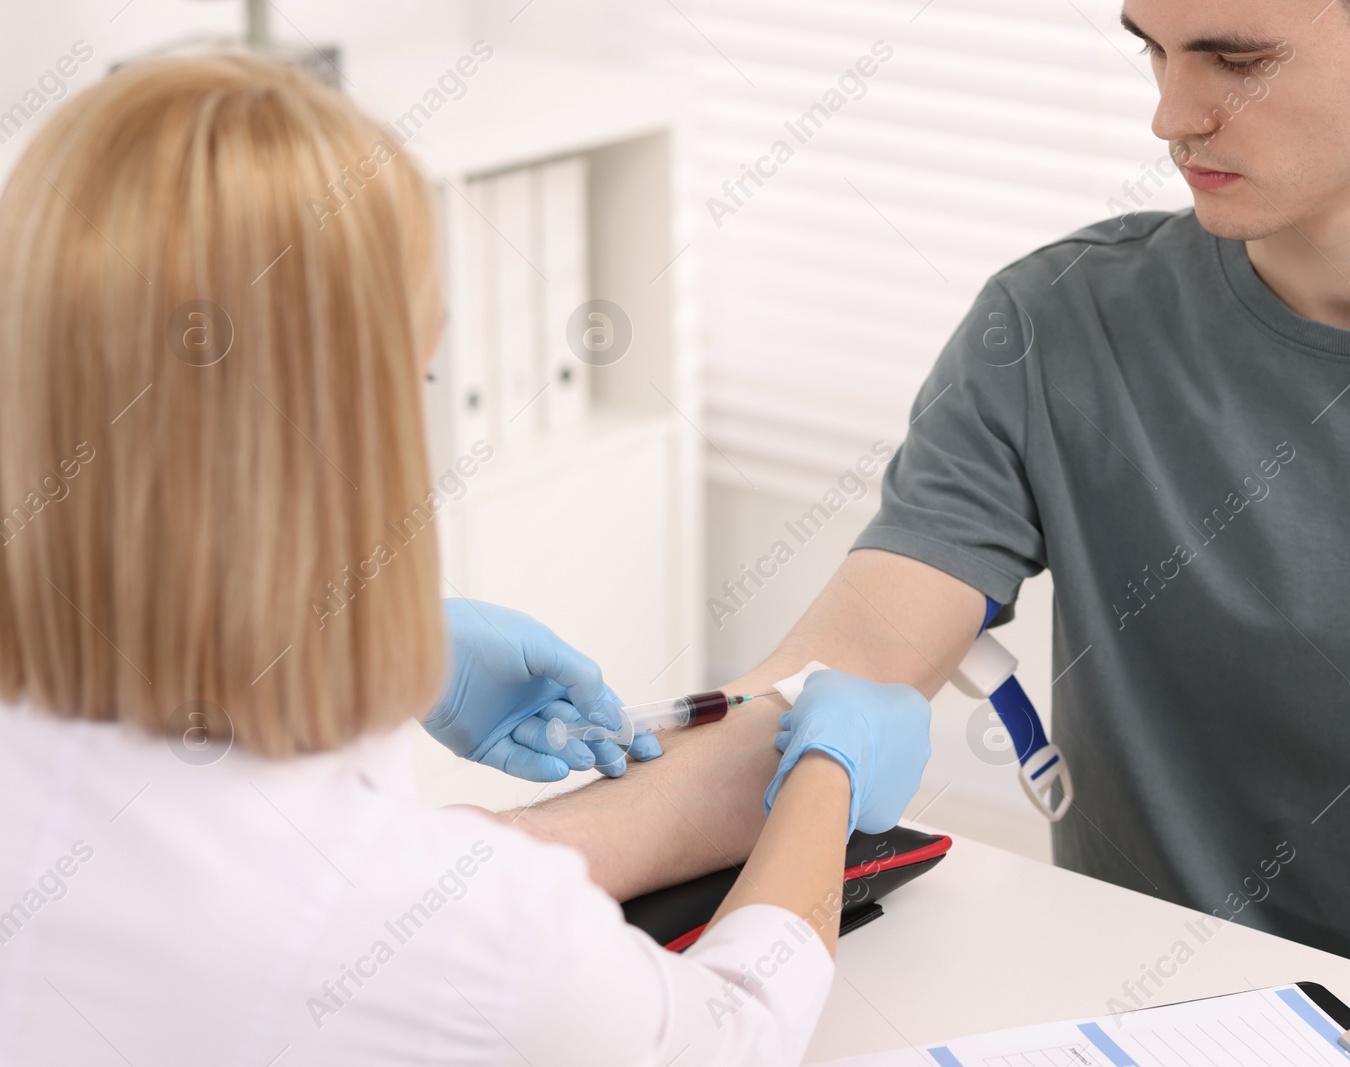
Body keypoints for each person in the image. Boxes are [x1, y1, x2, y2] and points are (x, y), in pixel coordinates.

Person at [494, 0, 1350, 1034]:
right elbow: (819, 693)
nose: (1170, 113)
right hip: (1143, 1021)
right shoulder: (1058, 328)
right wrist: (443, 874)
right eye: (1151, 49)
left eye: (1237, 58)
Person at [0, 54, 931, 1065]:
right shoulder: (442, 934)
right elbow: (733, 1029)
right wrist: (826, 774)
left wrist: (355, 636)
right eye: (421, 367)